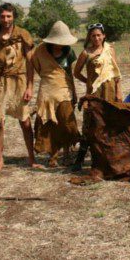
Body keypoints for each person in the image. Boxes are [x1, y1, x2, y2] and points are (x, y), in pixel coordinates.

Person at [0, 3, 42, 171]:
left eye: (9, 16)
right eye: (2, 16)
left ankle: (31, 158)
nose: (6, 19)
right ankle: (0, 160)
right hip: (0, 82)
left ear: (14, 17)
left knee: (25, 121)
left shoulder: (22, 34)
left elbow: (30, 63)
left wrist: (30, 87)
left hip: (20, 80)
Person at [71, 23, 123, 171]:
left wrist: (119, 91)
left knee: (110, 122)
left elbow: (116, 72)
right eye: (93, 35)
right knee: (90, 124)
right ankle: (80, 159)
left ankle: (110, 157)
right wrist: (89, 82)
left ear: (104, 36)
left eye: (99, 35)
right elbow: (76, 73)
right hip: (94, 93)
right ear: (90, 37)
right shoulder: (86, 53)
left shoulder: (110, 50)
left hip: (110, 91)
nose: (96, 38)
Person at [32, 21, 81, 167]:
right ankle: (53, 155)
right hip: (47, 92)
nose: (59, 44)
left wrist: (74, 92)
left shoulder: (69, 52)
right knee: (49, 124)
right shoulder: (40, 51)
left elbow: (69, 72)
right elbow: (39, 70)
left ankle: (67, 155)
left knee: (66, 123)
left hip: (65, 90)